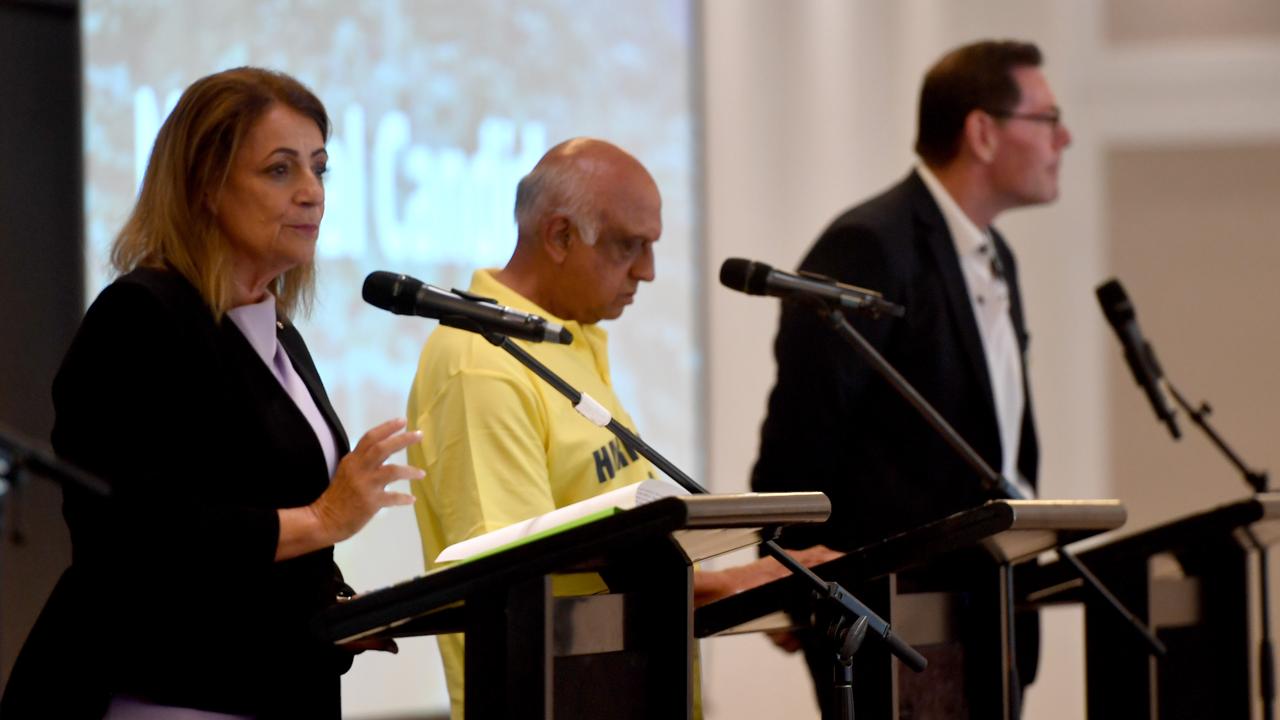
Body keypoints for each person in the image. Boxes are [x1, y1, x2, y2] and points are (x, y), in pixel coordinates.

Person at [1, 67, 421, 719]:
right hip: (167, 692)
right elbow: (137, 535)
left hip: (277, 685)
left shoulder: (272, 326)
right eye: (280, 171)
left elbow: (258, 511)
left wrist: (335, 609)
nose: (311, 193)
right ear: (203, 186)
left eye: (320, 168)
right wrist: (324, 519)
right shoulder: (139, 320)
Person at [408, 137, 836, 717]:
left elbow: (614, 548)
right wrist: (731, 584)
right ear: (560, 236)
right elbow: (516, 574)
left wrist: (751, 592)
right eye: (629, 246)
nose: (649, 271)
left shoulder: (560, 336)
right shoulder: (480, 364)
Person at [750, 40, 1071, 718]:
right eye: (1047, 119)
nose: (1064, 138)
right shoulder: (871, 243)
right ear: (982, 132)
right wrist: (784, 571)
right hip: (897, 624)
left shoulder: (994, 255)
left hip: (988, 613)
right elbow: (803, 431)